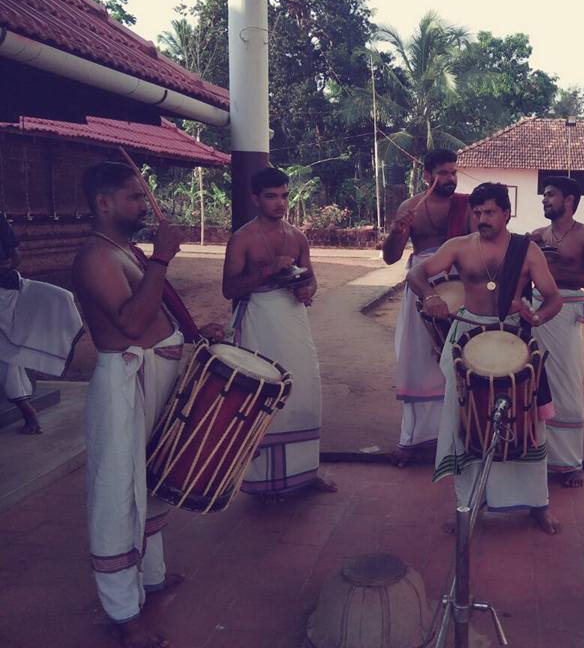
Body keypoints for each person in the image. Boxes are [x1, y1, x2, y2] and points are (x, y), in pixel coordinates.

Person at [72, 161, 224, 648]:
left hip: (151, 377)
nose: (144, 204)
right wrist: (160, 259)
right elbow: (132, 325)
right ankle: (123, 612)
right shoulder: (96, 256)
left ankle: (152, 578)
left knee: (151, 476)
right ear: (104, 203)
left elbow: (154, 309)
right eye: (135, 197)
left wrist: (195, 335)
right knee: (118, 494)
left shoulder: (123, 250)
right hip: (122, 386)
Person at [408, 182, 564, 534]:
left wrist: (537, 317)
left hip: (514, 339)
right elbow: (417, 273)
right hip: (467, 338)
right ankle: (468, 504)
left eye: (490, 212)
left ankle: (538, 505)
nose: (482, 218)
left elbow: (553, 297)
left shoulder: (527, 251)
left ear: (507, 213)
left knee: (528, 425)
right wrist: (430, 295)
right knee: (465, 424)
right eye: (477, 212)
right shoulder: (459, 248)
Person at [222, 167, 336, 498]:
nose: (280, 203)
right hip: (259, 320)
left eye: (284, 195)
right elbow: (229, 289)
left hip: (293, 318)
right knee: (263, 392)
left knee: (304, 388)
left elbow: (310, 279)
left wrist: (307, 291)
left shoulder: (297, 236)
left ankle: (306, 473)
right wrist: (269, 271)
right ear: (255, 199)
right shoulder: (242, 238)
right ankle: (258, 480)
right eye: (271, 196)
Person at [382, 149, 471, 467]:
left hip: (460, 288)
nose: (450, 178)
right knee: (418, 360)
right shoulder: (410, 207)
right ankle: (412, 439)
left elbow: (477, 245)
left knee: (457, 361)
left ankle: (456, 438)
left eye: (453, 172)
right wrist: (397, 232)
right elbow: (391, 257)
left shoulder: (467, 206)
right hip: (422, 288)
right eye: (443, 173)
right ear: (426, 176)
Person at [528, 177, 584, 488]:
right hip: (538, 311)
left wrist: (553, 268)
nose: (545, 201)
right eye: (544, 196)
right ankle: (537, 454)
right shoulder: (537, 235)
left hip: (567, 310)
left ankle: (570, 463)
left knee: (567, 383)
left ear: (569, 199)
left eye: (550, 195)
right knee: (537, 381)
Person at [1, 212, 83, 433]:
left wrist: (7, 261)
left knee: (61, 298)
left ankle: (29, 415)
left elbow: (14, 255)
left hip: (8, 292)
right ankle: (29, 415)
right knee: (8, 358)